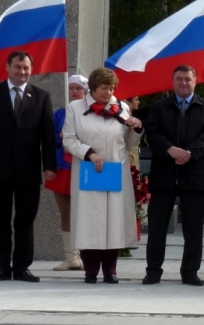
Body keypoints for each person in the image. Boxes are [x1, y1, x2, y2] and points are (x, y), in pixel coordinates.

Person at [0, 50, 57, 282]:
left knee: (25, 220)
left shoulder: (41, 96)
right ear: (8, 67)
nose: (22, 72)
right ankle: (2, 267)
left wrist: (50, 165)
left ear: (31, 70)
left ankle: (22, 267)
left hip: (29, 170)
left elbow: (48, 135)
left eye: (26, 68)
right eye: (18, 67)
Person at [61, 67, 143, 284]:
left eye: (112, 88)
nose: (109, 92)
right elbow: (68, 140)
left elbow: (129, 143)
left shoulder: (121, 107)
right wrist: (90, 154)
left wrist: (136, 128)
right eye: (104, 88)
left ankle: (110, 270)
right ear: (93, 88)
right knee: (90, 221)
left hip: (116, 170)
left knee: (113, 221)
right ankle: (90, 271)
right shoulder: (76, 109)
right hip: (90, 170)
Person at [143, 65, 204, 286]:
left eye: (187, 79)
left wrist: (189, 153)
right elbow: (152, 133)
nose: (183, 83)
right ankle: (153, 271)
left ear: (195, 81)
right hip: (164, 174)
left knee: (193, 228)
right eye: (179, 79)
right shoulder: (159, 107)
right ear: (172, 81)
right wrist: (169, 150)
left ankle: (190, 272)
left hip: (193, 174)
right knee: (157, 227)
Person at [49, 75, 88, 272]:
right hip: (63, 167)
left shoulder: (92, 112)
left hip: (85, 169)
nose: (74, 91)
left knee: (87, 213)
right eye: (71, 88)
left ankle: (88, 256)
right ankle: (71, 256)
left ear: (86, 91)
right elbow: (49, 140)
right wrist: (60, 136)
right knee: (67, 214)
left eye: (78, 88)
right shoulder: (60, 114)